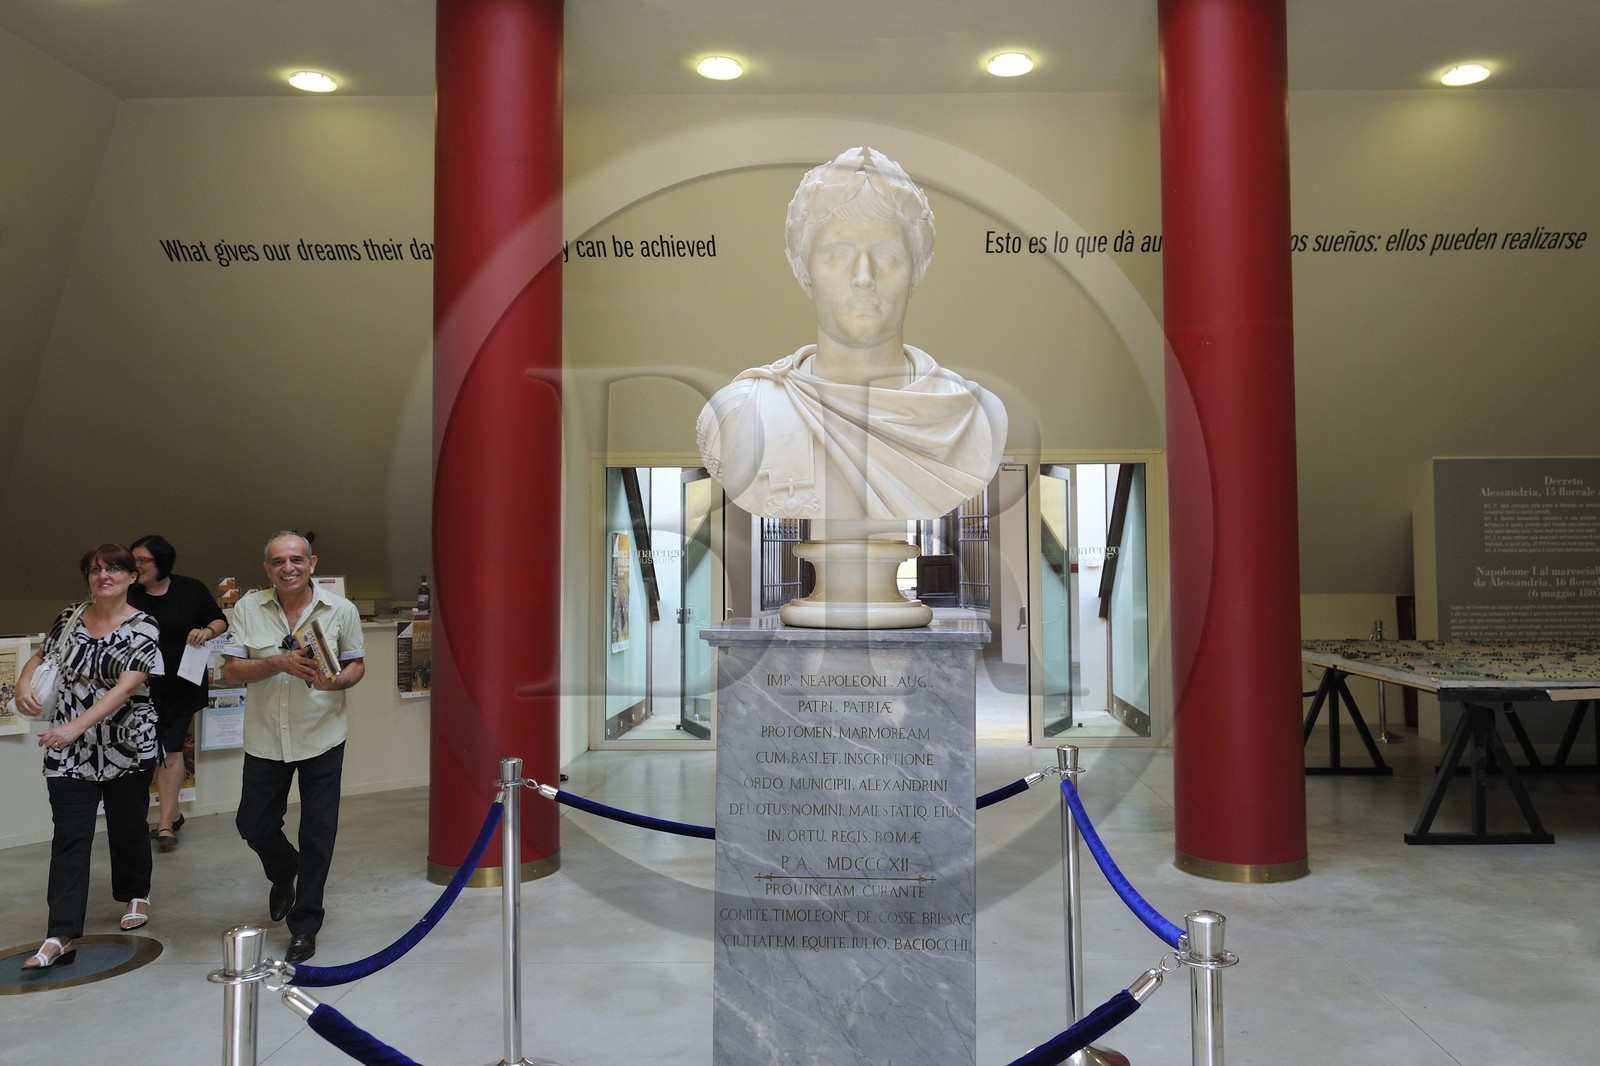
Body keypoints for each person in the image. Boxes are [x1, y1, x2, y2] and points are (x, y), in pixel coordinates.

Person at [696, 146, 1007, 525]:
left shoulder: (974, 417)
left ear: (917, 270)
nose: (863, 277)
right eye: (837, 254)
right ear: (803, 270)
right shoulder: (742, 414)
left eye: (889, 255)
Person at [12, 543, 161, 969]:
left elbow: (126, 687)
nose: (103, 576)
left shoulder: (144, 627)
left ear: (132, 576)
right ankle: (60, 934)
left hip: (126, 742)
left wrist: (77, 725)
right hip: (69, 749)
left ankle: (136, 893)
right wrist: (24, 684)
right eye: (94, 570)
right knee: (70, 837)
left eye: (113, 569)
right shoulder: (70, 616)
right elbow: (42, 655)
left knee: (127, 827)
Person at [222, 531, 364, 964]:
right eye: (279, 562)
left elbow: (356, 664)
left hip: (322, 732)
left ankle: (305, 924)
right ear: (267, 569)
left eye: (296, 560)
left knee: (318, 833)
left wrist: (338, 680)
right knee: (253, 823)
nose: (289, 568)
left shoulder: (342, 610)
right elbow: (231, 671)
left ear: (312, 563)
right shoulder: (248, 608)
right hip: (266, 736)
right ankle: (285, 871)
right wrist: (277, 662)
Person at [129, 534, 227, 851]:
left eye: (142, 560)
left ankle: (165, 824)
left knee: (171, 748)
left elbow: (219, 620)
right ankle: (171, 812)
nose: (136, 566)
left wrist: (207, 631)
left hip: (183, 683)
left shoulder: (191, 589)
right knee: (145, 752)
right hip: (140, 686)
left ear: (161, 562)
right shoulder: (128, 593)